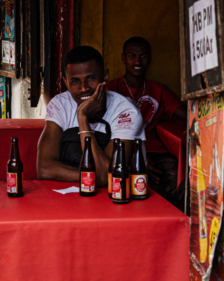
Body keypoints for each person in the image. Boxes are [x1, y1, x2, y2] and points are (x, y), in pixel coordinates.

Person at [37, 45, 144, 187]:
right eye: (75, 81)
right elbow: (44, 169)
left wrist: (82, 118)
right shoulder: (60, 104)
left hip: (111, 197)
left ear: (105, 77)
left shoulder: (126, 112)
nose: (84, 88)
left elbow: (108, 177)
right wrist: (92, 177)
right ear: (66, 83)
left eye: (91, 78)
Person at [107, 36, 187, 208]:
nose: (138, 61)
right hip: (122, 149)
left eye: (143, 56)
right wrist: (138, 159)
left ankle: (170, 219)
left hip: (154, 150)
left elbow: (187, 116)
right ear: (123, 59)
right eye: (132, 56)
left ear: (149, 59)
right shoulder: (111, 89)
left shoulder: (159, 90)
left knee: (176, 178)